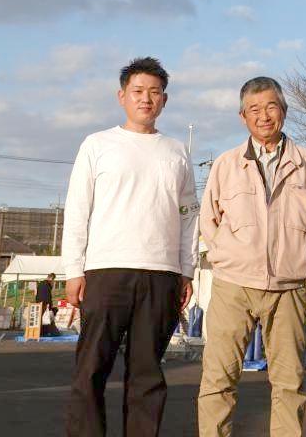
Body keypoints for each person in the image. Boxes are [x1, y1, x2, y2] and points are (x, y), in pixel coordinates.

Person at [61, 57, 200, 437]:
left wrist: (186, 270)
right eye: (138, 91)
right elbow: (77, 210)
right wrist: (74, 270)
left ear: (165, 100)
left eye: (154, 92)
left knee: (147, 374)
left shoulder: (176, 151)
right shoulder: (97, 144)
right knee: (91, 369)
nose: (146, 99)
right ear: (122, 96)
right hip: (105, 271)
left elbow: (190, 214)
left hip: (161, 274)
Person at [198, 76, 306, 437]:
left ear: (284, 111)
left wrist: (299, 259)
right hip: (233, 285)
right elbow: (208, 221)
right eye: (254, 109)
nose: (264, 116)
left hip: (289, 288)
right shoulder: (226, 164)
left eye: (271, 107)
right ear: (243, 117)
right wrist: (227, 256)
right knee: (218, 379)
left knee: (289, 383)